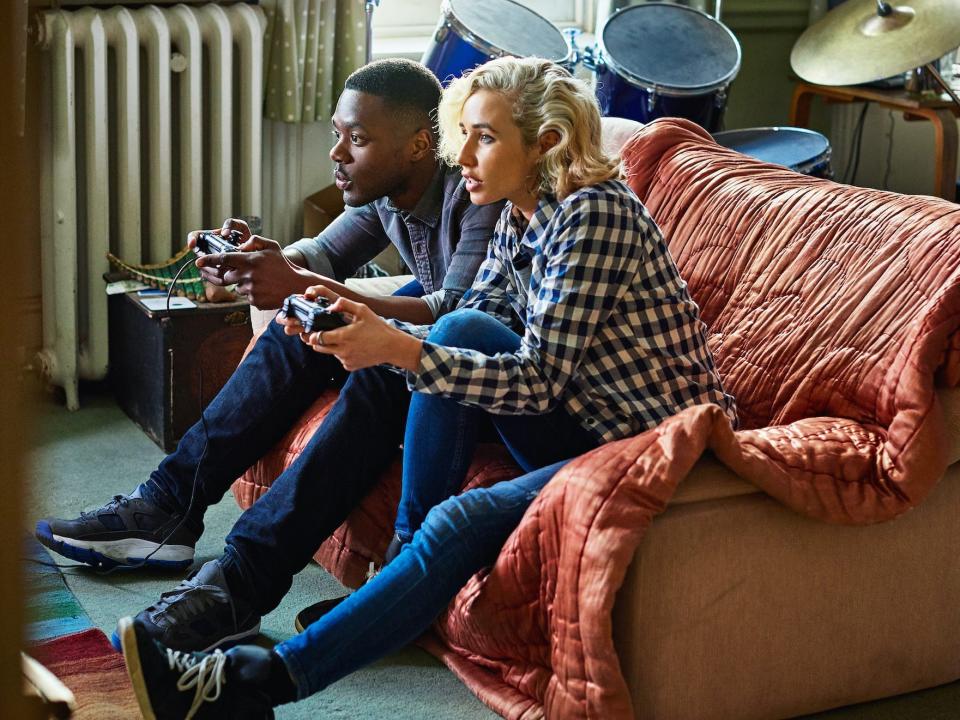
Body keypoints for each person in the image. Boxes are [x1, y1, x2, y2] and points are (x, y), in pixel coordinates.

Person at [115, 56, 738, 719]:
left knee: (460, 514)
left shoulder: (595, 215)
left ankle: (254, 682)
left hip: (654, 444)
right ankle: (394, 575)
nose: (461, 154)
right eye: (462, 132)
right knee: (464, 323)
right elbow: (469, 325)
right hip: (577, 417)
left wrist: (401, 348)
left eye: (486, 137)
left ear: (547, 143)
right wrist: (369, 332)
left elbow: (539, 378)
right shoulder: (522, 213)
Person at [34, 58, 502, 648]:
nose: (336, 153)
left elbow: (454, 311)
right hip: (443, 337)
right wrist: (260, 259)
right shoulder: (392, 194)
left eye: (356, 139)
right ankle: (168, 505)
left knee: (375, 364)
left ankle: (239, 583)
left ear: (416, 146)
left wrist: (307, 285)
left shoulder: (480, 190)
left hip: (483, 369)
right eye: (338, 133)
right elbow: (324, 256)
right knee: (299, 322)